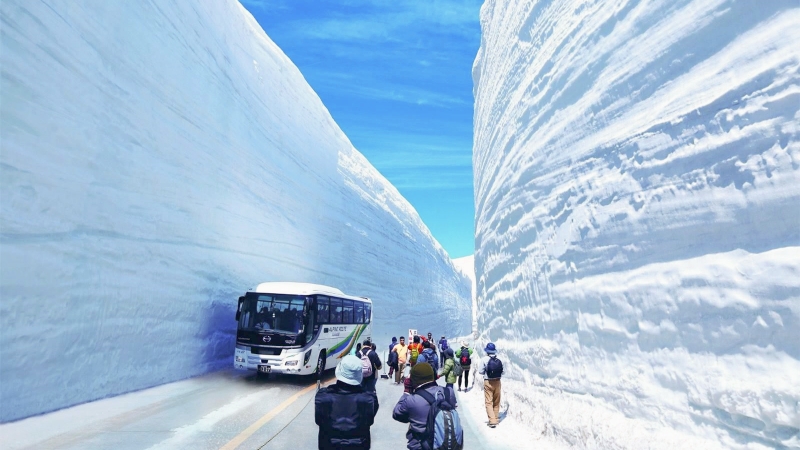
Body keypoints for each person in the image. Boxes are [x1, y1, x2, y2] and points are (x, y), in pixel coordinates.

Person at [315, 354, 379, 449]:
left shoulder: (322, 396)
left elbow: (319, 420)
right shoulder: (369, 398)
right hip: (359, 445)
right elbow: (369, 421)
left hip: (329, 445)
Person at [392, 363, 460, 450]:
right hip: (447, 444)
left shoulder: (412, 400)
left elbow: (397, 414)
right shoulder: (448, 392)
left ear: (413, 379)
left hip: (421, 446)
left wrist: (407, 391)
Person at [479, 342, 504, 428]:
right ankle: (496, 417)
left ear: (487, 351)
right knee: (496, 400)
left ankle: (492, 420)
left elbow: (480, 371)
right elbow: (503, 371)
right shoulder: (499, 359)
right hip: (498, 382)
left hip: (488, 382)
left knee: (489, 401)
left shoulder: (484, 359)